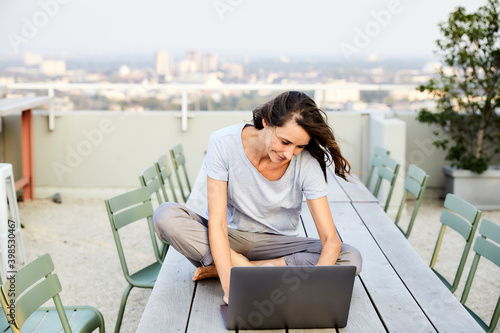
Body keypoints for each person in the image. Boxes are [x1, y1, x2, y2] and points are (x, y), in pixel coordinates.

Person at [153, 91, 362, 304]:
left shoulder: (307, 164)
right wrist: (230, 289)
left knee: (349, 258)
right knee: (166, 216)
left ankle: (242, 268)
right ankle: (236, 265)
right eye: (285, 141)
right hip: (230, 237)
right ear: (266, 122)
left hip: (277, 243)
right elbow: (218, 223)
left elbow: (330, 239)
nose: (289, 154)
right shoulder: (223, 142)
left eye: (300, 146)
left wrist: (314, 288)